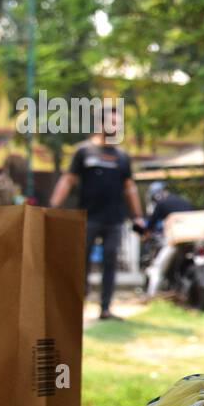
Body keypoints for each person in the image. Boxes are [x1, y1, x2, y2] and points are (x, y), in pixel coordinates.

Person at [50, 106, 145, 320]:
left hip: (115, 220)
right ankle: (76, 305)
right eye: (111, 122)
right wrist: (52, 207)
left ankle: (105, 308)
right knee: (80, 263)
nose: (115, 126)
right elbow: (68, 180)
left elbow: (129, 187)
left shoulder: (122, 157)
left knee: (110, 263)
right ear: (100, 124)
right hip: (88, 217)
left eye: (117, 123)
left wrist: (137, 217)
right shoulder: (83, 151)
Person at [143, 181, 195, 298]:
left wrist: (144, 235)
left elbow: (151, 225)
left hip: (175, 241)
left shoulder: (161, 204)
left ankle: (151, 295)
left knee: (157, 268)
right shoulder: (184, 201)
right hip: (193, 240)